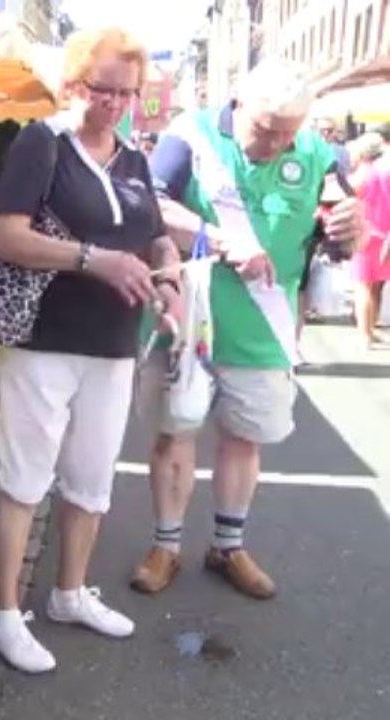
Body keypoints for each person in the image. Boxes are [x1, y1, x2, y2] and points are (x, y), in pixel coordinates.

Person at [0, 27, 181, 674]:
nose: (114, 103)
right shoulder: (43, 142)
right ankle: (4, 615)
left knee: (91, 481)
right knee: (24, 479)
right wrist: (90, 258)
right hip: (43, 337)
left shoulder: (131, 157)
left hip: (113, 342)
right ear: (73, 84)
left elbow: (153, 236)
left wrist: (169, 270)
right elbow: (7, 237)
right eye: (102, 89)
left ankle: (69, 592)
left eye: (126, 93)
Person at [132, 59, 367, 599]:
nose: (278, 144)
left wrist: (354, 232)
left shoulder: (321, 156)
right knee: (176, 433)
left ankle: (227, 546)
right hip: (188, 320)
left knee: (244, 439)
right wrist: (218, 237)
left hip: (267, 325)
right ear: (238, 105)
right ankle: (165, 546)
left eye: (289, 133)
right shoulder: (189, 135)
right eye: (265, 130)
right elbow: (150, 203)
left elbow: (341, 238)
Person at [347, 131, 389, 347]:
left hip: (364, 233)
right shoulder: (386, 172)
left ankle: (364, 333)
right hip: (385, 234)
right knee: (376, 286)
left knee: (362, 285)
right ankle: (371, 328)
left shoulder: (360, 175)